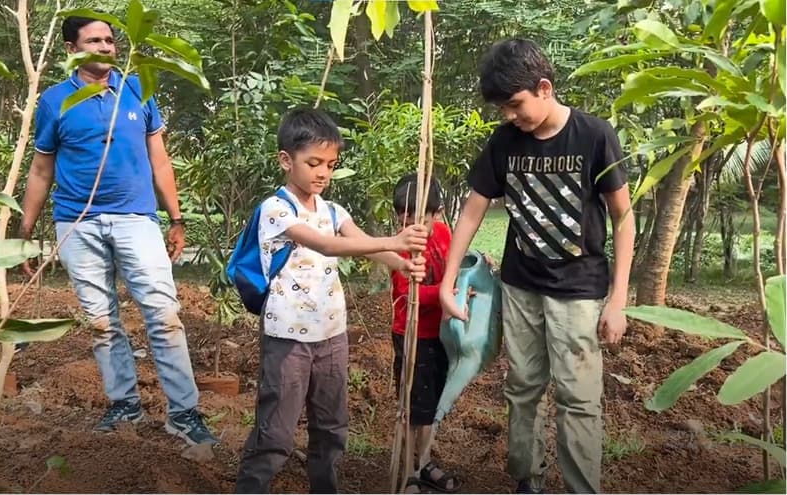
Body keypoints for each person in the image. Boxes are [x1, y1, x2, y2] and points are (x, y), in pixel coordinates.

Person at [439, 38, 635, 494]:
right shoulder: (505, 141)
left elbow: (623, 217)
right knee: (522, 385)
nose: (510, 116)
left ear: (544, 88)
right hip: (521, 285)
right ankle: (527, 481)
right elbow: (472, 211)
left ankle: (581, 488)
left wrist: (618, 299)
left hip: (579, 289)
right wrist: (448, 281)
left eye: (515, 104)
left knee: (578, 397)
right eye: (503, 109)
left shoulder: (594, 135)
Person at [19, 15, 217, 445]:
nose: (106, 47)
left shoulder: (137, 89)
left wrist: (176, 218)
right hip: (77, 223)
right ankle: (124, 406)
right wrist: (26, 229)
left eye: (110, 40)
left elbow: (159, 159)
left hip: (136, 219)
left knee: (164, 315)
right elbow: (41, 168)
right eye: (94, 40)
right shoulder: (55, 101)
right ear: (71, 50)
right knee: (101, 322)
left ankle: (184, 413)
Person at [234, 108, 429, 494]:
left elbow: (362, 243)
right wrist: (394, 240)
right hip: (288, 338)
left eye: (330, 164)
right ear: (286, 160)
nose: (323, 173)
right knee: (276, 432)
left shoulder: (333, 210)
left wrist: (402, 263)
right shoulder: (276, 210)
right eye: (314, 163)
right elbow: (326, 245)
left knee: (331, 427)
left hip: (332, 336)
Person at [390, 174, 460, 494]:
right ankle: (408, 471)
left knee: (430, 406)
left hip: (439, 334)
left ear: (437, 213)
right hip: (412, 335)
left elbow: (454, 267)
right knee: (412, 406)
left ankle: (425, 462)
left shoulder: (444, 233)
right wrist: (446, 294)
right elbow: (408, 292)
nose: (410, 229)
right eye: (402, 221)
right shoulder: (401, 247)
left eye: (419, 221)